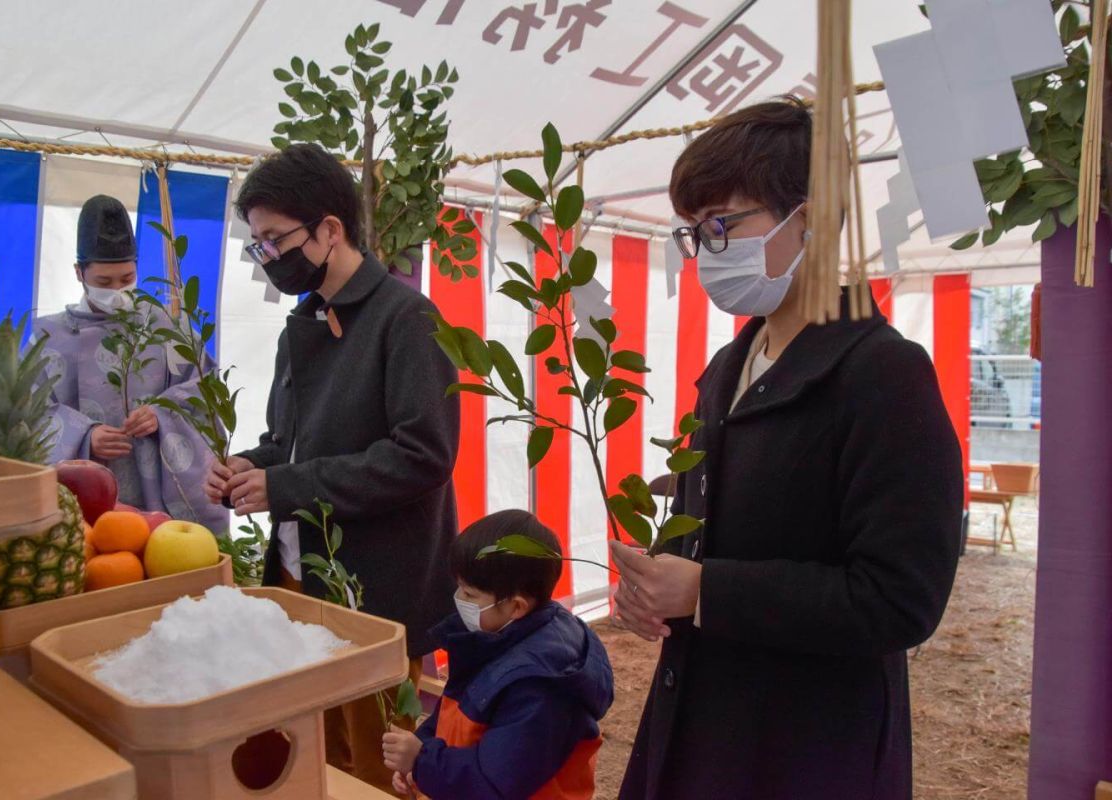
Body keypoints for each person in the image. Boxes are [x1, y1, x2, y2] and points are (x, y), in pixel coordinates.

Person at [609, 97, 963, 799]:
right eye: (693, 233)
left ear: (812, 218)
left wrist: (708, 591)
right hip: (701, 717)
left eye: (723, 225)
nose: (708, 250)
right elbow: (711, 535)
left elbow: (900, 599)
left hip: (807, 744)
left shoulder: (882, 374)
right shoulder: (728, 369)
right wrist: (659, 585)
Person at [204, 143, 460, 794]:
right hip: (302, 580)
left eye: (274, 239)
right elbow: (287, 441)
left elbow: (423, 455)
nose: (267, 257)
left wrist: (283, 485)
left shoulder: (406, 320)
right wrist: (248, 465)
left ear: (329, 229)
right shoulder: (305, 321)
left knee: (378, 769)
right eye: (257, 244)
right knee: (323, 758)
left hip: (373, 590)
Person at [381, 510, 614, 800]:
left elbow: (495, 785)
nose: (458, 600)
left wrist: (422, 761)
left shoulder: (541, 686)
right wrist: (419, 752)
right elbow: (453, 712)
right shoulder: (492, 639)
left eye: (469, 593)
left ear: (516, 606)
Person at [33, 195, 226, 529]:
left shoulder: (168, 328)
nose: (117, 290)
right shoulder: (50, 337)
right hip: (85, 500)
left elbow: (207, 390)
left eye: (127, 279)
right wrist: (84, 436)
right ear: (79, 273)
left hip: (160, 497)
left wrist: (162, 412)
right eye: (104, 283)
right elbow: (30, 413)